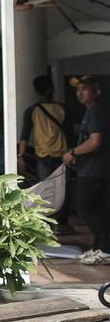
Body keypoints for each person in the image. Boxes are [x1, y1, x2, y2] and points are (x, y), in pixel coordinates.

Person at [64, 76, 110, 264]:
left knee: (87, 209)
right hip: (92, 170)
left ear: (96, 92)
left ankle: (105, 248)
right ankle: (100, 246)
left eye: (85, 89)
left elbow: (95, 142)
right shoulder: (92, 112)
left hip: (94, 171)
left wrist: (72, 152)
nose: (80, 93)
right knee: (96, 209)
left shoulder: (95, 112)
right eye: (78, 89)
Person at [20, 75, 71, 230]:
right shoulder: (62, 108)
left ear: (36, 91)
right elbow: (69, 133)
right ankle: (62, 223)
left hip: (43, 155)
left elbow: (24, 135)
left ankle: (46, 223)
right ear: (51, 89)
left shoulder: (32, 110)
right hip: (63, 154)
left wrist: (20, 156)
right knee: (63, 189)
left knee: (45, 191)